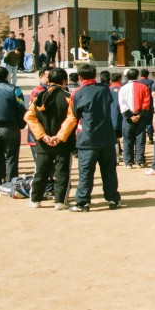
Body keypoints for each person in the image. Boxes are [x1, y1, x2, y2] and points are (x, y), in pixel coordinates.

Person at [65, 64, 122, 211]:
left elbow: (74, 114)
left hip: (87, 138)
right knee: (109, 170)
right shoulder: (104, 90)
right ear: (95, 75)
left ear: (80, 77)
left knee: (86, 171)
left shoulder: (78, 92)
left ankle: (83, 202)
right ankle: (113, 199)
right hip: (107, 136)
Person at [24, 68, 76, 209]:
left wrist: (42, 135)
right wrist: (60, 136)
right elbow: (72, 118)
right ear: (65, 81)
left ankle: (35, 200)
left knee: (41, 171)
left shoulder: (39, 96)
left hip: (43, 142)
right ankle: (60, 201)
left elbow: (29, 116)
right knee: (62, 172)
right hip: (63, 142)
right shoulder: (68, 96)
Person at [118, 68, 152, 168]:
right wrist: (140, 115)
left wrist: (129, 115)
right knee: (140, 139)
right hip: (140, 116)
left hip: (128, 117)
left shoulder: (123, 88)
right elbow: (146, 102)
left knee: (127, 139)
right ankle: (140, 160)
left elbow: (122, 103)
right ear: (137, 76)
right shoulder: (143, 87)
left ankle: (128, 162)